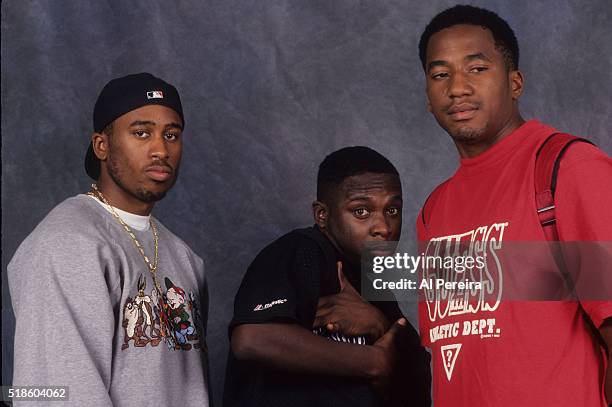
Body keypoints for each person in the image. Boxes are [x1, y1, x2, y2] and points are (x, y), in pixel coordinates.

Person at [416, 5, 612, 406]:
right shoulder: (433, 210)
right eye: (440, 75)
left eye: (477, 68)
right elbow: (453, 340)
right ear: (428, 98)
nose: (457, 88)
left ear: (515, 82)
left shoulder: (569, 168)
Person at [8, 73, 210, 406]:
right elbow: (60, 396)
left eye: (171, 135)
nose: (161, 149)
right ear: (102, 145)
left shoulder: (186, 258)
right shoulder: (67, 244)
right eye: (141, 133)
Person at [223, 146, 431, 407]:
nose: (383, 228)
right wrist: (370, 361)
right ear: (322, 215)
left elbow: (418, 385)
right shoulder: (300, 251)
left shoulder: (371, 276)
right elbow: (252, 338)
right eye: (361, 211)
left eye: (392, 210)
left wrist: (377, 322)